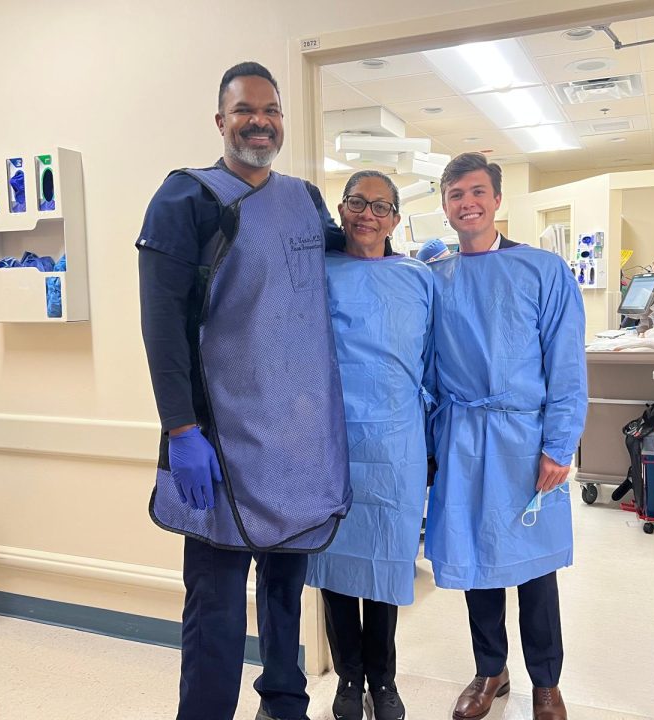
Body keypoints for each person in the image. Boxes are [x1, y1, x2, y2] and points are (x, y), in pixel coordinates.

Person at [136, 61, 352, 720]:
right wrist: (181, 430)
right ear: (220, 121)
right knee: (217, 611)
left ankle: (284, 705)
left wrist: (408, 256)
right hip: (220, 442)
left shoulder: (305, 199)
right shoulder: (187, 198)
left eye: (271, 110)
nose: (260, 122)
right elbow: (162, 326)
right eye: (244, 110)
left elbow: (344, 260)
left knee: (286, 599)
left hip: (296, 445)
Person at [424, 153, 587, 720]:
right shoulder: (436, 278)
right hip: (461, 437)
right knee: (475, 559)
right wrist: (429, 447)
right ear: (445, 207)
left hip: (524, 436)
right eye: (455, 195)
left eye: (477, 192)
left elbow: (566, 366)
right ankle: (490, 669)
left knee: (534, 566)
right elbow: (426, 370)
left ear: (496, 199)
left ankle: (546, 682)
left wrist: (558, 446)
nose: (466, 203)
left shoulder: (543, 271)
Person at [305, 170, 434, 720]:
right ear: (341, 210)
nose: (368, 215)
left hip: (396, 444)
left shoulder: (419, 279)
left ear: (396, 220)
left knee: (386, 562)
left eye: (381, 207)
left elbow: (434, 362)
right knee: (335, 563)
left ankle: (383, 680)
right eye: (357, 203)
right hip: (330, 440)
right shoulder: (316, 273)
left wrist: (433, 445)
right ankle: (348, 676)